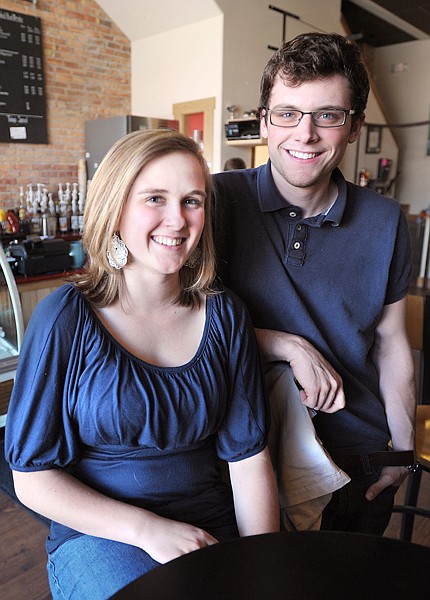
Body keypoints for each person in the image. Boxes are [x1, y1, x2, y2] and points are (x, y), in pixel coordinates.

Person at [5, 129, 279, 599]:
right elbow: (32, 479)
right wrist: (148, 529)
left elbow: (249, 460)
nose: (177, 219)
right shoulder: (65, 318)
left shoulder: (226, 315)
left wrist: (264, 567)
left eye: (192, 201)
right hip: (102, 535)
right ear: (116, 208)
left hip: (209, 527)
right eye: (155, 198)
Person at [212, 32, 417, 535]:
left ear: (353, 127)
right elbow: (176, 319)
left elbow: (393, 342)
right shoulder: (215, 201)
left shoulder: (387, 221)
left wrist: (402, 446)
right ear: (263, 122)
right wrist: (285, 344)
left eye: (327, 115)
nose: (304, 134)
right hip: (239, 455)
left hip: (357, 459)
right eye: (286, 113)